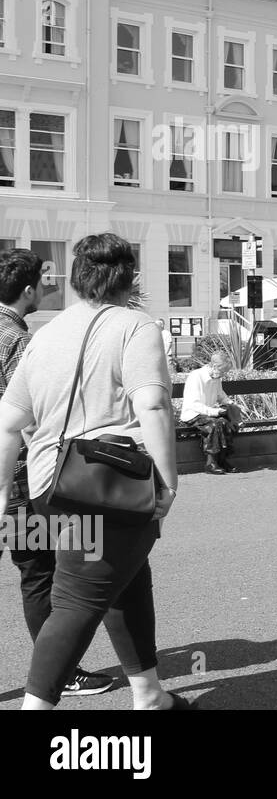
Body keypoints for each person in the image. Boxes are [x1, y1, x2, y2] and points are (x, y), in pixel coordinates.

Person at [0, 233, 188, 709]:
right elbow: (154, 402)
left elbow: (8, 423)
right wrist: (169, 481)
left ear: (77, 279)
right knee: (77, 602)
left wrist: (2, 490)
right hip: (108, 487)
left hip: (50, 483)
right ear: (129, 279)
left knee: (127, 580)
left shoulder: (43, 335)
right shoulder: (135, 326)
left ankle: (148, 693)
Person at [0, 249, 115, 697]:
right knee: (41, 572)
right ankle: (61, 671)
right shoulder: (17, 341)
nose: (50, 286)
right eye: (45, 280)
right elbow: (30, 417)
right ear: (28, 290)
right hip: (21, 475)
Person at [180, 350, 239, 474]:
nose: (223, 374)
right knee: (215, 424)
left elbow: (220, 395)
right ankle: (210, 463)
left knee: (225, 422)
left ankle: (222, 460)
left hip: (208, 413)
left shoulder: (216, 377)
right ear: (215, 366)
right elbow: (194, 404)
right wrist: (215, 412)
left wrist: (231, 404)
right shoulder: (196, 376)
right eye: (223, 371)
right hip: (192, 414)